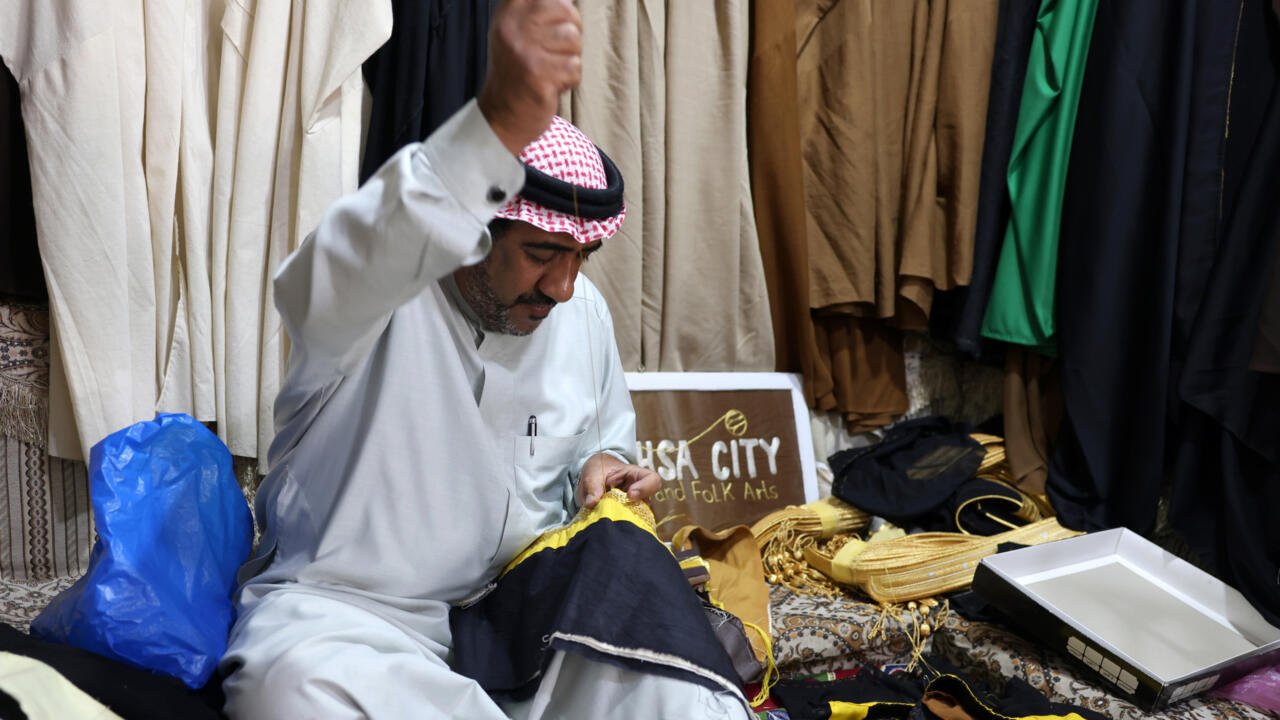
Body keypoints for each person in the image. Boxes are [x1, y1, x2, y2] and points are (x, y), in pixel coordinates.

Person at [217, 1, 752, 717]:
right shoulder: (369, 299)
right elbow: (368, 238)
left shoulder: (579, 313)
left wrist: (605, 466)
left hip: (522, 614)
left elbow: (602, 439)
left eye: (581, 258)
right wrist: (497, 123)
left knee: (685, 700)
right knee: (286, 691)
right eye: (540, 253)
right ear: (472, 230)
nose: (563, 287)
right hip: (356, 621)